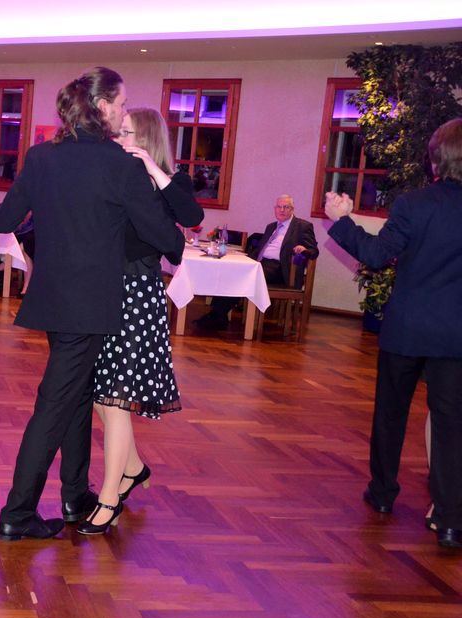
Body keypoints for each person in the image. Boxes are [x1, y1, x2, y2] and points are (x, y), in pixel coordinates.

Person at [0, 67, 181, 541]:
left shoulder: (40, 156)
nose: (123, 111)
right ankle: (17, 512)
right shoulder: (120, 165)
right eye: (121, 104)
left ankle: (76, 495)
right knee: (54, 405)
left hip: (53, 301)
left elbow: (3, 220)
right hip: (93, 307)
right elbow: (168, 240)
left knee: (76, 397)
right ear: (102, 106)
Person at [324, 117, 462, 550]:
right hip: (455, 335)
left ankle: (382, 493)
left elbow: (378, 255)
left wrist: (341, 220)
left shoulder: (415, 204)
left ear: (435, 159)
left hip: (408, 328)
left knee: (390, 414)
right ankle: (451, 519)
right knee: (451, 426)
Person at [81, 107, 201, 535]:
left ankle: (109, 499)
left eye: (127, 132)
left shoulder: (171, 182)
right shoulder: (116, 176)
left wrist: (153, 168)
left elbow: (191, 217)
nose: (119, 137)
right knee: (99, 397)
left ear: (148, 139)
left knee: (115, 402)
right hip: (103, 294)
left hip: (137, 298)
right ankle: (133, 468)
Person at [198, 194, 318, 330]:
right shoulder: (271, 226)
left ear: (292, 209)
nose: (282, 210)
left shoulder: (302, 226)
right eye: (279, 207)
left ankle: (216, 315)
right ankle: (218, 314)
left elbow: (314, 251)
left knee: (245, 277)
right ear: (275, 209)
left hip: (280, 268)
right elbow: (260, 249)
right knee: (231, 271)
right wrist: (242, 257)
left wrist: (304, 249)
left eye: (286, 207)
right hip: (261, 263)